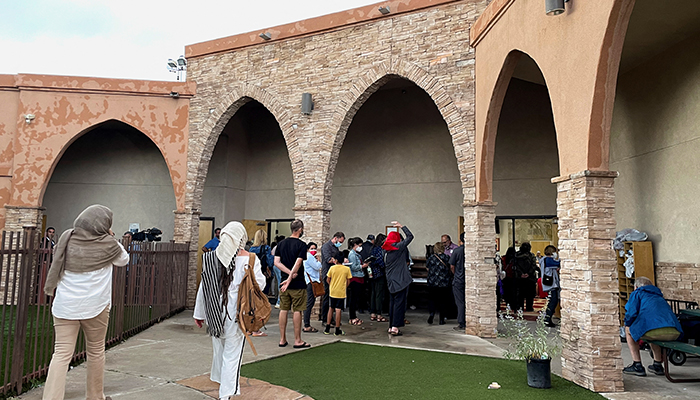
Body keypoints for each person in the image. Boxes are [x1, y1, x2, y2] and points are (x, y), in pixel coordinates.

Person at [42, 205, 129, 400]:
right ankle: (95, 396)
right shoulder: (109, 245)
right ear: (104, 225)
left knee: (61, 354)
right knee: (96, 352)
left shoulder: (66, 239)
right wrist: (110, 236)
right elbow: (124, 260)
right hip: (96, 307)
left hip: (65, 307)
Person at [193, 221, 266, 399]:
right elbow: (261, 285)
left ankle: (222, 382)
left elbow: (205, 286)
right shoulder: (250, 259)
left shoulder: (211, 258)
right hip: (237, 314)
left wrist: (199, 313)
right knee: (232, 356)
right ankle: (226, 394)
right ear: (241, 238)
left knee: (220, 350)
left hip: (214, 313)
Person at [622, 277, 683, 377]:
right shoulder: (659, 295)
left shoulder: (637, 293)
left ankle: (637, 365)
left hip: (654, 330)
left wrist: (627, 323)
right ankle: (657, 364)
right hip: (674, 331)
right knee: (651, 331)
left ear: (636, 287)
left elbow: (631, 313)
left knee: (629, 329)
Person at [274, 220, 310, 348]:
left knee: (283, 309)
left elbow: (276, 262)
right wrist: (292, 275)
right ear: (300, 229)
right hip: (297, 282)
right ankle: (297, 340)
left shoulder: (281, 244)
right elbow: (298, 263)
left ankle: (282, 339)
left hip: (283, 283)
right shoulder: (301, 245)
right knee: (297, 311)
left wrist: (287, 275)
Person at [383, 221, 413, 336]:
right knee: (399, 305)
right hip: (401, 281)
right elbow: (410, 237)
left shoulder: (385, 251)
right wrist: (402, 227)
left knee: (392, 304)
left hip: (391, 281)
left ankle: (391, 326)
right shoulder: (398, 247)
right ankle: (395, 327)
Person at [247, 229, 274, 337]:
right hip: (263, 275)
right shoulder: (267, 248)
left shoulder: (251, 249)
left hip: (251, 276)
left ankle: (249, 326)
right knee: (261, 303)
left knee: (251, 302)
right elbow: (270, 262)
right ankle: (256, 328)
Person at [324, 251, 352, 336]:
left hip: (332, 291)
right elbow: (348, 281)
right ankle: (337, 329)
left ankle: (327, 328)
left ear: (335, 260)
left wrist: (332, 285)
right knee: (338, 310)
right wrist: (343, 286)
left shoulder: (332, 268)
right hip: (341, 292)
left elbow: (328, 279)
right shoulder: (346, 269)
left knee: (330, 308)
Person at [320, 232, 345, 324]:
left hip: (335, 274)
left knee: (333, 297)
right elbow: (328, 259)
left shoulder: (335, 247)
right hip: (328, 274)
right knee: (327, 296)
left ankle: (331, 318)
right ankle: (325, 318)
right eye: (340, 241)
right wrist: (337, 261)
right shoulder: (326, 247)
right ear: (335, 238)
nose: (340, 244)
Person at [426, 242, 451, 325]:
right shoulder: (447, 257)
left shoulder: (431, 258)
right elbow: (450, 267)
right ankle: (441, 319)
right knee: (443, 301)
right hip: (443, 283)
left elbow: (427, 268)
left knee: (432, 300)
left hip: (432, 282)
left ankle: (432, 314)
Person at [347, 237, 370, 326]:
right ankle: (352, 316)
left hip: (360, 277)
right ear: (355, 245)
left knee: (357, 297)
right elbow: (353, 267)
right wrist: (362, 266)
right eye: (360, 245)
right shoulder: (352, 255)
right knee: (353, 298)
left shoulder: (357, 254)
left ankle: (354, 316)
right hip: (355, 277)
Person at [303, 242, 322, 333]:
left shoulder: (307, 256)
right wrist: (318, 261)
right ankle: (306, 324)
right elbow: (318, 266)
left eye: (315, 248)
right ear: (308, 249)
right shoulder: (309, 257)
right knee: (309, 303)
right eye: (312, 248)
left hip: (310, 281)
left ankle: (307, 323)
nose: (313, 250)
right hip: (310, 282)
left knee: (310, 302)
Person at [369, 234, 388, 323]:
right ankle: (379, 314)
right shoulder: (381, 249)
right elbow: (381, 262)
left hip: (372, 273)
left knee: (373, 293)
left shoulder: (372, 249)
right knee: (379, 294)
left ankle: (373, 313)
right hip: (379, 273)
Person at [449, 232, 466, 332]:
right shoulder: (471, 251)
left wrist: (455, 274)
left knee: (460, 302)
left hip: (459, 279)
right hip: (469, 279)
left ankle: (461, 322)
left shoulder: (457, 251)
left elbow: (452, 265)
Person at [540, 245, 561, 327]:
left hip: (551, 283)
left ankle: (548, 319)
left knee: (553, 301)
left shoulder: (544, 260)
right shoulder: (547, 260)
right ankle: (547, 319)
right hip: (551, 284)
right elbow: (557, 264)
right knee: (553, 302)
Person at [514, 242, 538, 312]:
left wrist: (521, 273)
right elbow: (533, 266)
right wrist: (528, 273)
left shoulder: (516, 256)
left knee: (520, 294)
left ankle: (520, 307)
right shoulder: (531, 256)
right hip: (530, 278)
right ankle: (529, 307)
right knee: (530, 295)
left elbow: (515, 266)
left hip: (519, 277)